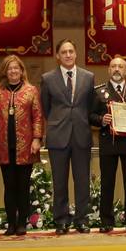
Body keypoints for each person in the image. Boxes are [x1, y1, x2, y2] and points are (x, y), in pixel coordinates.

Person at [40, 39, 95, 234]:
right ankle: (61, 220)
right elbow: (45, 108)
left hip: (81, 135)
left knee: (82, 181)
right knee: (60, 181)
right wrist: (58, 122)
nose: (68, 55)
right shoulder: (47, 78)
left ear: (76, 54)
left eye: (71, 51)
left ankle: (82, 219)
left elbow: (89, 106)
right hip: (58, 136)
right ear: (57, 56)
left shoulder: (88, 77)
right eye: (64, 52)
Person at [0, 54, 43, 236]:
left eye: (16, 68)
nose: (13, 71)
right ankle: (11, 223)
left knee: (23, 187)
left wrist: (36, 139)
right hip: (4, 147)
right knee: (9, 186)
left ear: (21, 71)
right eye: (10, 68)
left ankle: (22, 223)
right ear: (5, 71)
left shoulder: (30, 90)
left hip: (26, 146)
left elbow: (37, 117)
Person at [90, 55, 126, 232]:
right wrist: (101, 119)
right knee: (107, 183)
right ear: (108, 70)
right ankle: (106, 221)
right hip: (108, 142)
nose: (117, 69)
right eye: (113, 66)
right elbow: (89, 116)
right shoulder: (98, 91)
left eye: (120, 67)